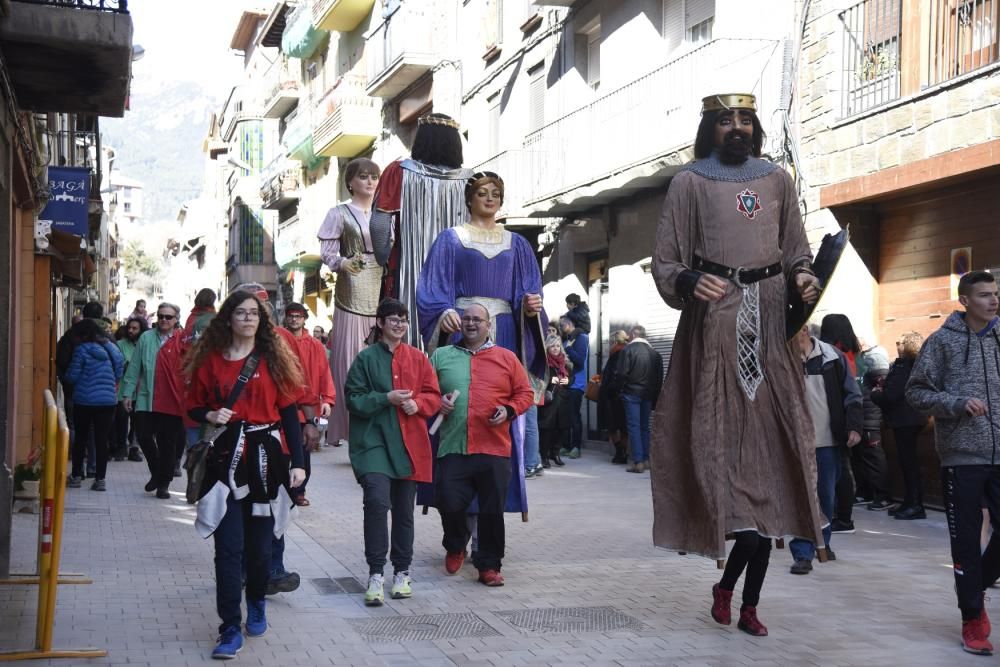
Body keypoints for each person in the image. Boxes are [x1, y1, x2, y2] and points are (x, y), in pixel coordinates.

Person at [650, 93, 825, 637]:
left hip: (771, 324)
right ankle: (725, 575)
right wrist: (685, 281)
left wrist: (802, 276)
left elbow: (797, 248)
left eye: (745, 118)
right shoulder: (688, 183)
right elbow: (666, 260)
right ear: (710, 127)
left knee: (773, 451)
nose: (737, 127)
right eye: (725, 119)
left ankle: (745, 601)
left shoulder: (776, 179)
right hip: (715, 320)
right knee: (713, 431)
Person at [184, 290, 307, 660]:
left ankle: (256, 601)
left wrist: (299, 463)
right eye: (241, 313)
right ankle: (228, 627)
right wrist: (210, 415)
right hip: (224, 460)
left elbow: (289, 414)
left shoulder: (273, 358)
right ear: (228, 318)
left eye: (254, 313)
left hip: (265, 462)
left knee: (259, 549)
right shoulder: (211, 360)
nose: (249, 319)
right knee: (228, 549)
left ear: (261, 320)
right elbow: (193, 406)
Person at [416, 170, 547, 510]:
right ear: (469, 199)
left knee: (497, 411)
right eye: (482, 193)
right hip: (462, 327)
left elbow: (528, 291)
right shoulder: (451, 239)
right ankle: (456, 513)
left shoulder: (517, 244)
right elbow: (431, 288)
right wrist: (442, 311)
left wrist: (531, 309)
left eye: (496, 193)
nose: (489, 198)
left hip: (502, 332)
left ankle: (494, 507)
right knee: (460, 410)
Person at [905, 270, 1000, 655]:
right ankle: (972, 618)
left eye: (995, 294)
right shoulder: (941, 343)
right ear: (964, 301)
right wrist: (956, 404)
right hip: (962, 457)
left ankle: (974, 588)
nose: (993, 301)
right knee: (964, 543)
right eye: (983, 295)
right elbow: (915, 393)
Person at [430, 303, 535, 586]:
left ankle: (489, 565)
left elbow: (526, 393)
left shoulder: (506, 357)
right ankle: (455, 545)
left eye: (478, 319)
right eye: (466, 318)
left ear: (489, 325)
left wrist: (510, 410)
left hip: (494, 447)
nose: (471, 323)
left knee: (491, 511)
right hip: (453, 445)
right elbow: (425, 391)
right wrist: (436, 403)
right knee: (449, 502)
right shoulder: (441, 355)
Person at [344, 298, 440, 606]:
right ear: (380, 323)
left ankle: (402, 571)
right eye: (393, 319)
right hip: (373, 441)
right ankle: (375, 573)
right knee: (376, 501)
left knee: (403, 510)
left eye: (403, 320)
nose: (399, 324)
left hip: (409, 443)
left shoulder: (418, 358)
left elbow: (433, 396)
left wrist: (419, 404)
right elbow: (353, 399)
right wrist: (386, 397)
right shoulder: (365, 359)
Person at [370, 112, 473, 347]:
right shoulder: (471, 180)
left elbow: (379, 224)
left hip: (408, 273)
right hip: (457, 275)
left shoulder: (399, 171)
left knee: (404, 340)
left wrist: (383, 256)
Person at [318, 157, 383, 449]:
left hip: (382, 285)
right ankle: (348, 426)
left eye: (374, 177)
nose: (370, 181)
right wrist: (343, 263)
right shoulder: (339, 212)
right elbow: (328, 252)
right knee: (348, 361)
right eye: (363, 176)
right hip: (351, 286)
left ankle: (377, 427)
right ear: (350, 181)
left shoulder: (385, 214)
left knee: (381, 359)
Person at [789, 325, 862, 575]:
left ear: (806, 329)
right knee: (801, 496)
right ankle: (803, 552)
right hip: (794, 443)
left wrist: (854, 427)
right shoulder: (782, 358)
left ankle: (823, 541)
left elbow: (852, 395)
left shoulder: (832, 357)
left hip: (828, 440)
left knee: (826, 494)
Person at [822, 314, 892, 528]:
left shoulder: (837, 355)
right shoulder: (854, 354)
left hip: (854, 416)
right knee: (853, 462)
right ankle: (862, 496)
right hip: (857, 415)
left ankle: (847, 514)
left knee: (850, 464)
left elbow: (852, 391)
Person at [120, 302, 183, 498]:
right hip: (147, 397)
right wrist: (127, 393)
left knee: (167, 443)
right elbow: (134, 367)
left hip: (172, 400)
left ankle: (164, 483)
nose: (164, 320)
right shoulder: (146, 338)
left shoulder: (182, 340)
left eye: (168, 317)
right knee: (144, 436)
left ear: (176, 320)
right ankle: (156, 472)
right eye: (161, 316)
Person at [281, 302, 335, 507]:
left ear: (304, 319)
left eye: (298, 316)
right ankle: (284, 491)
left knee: (305, 452)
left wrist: (328, 400)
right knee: (283, 454)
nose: (294, 319)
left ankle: (299, 491)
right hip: (284, 408)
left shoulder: (315, 346)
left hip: (309, 409)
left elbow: (324, 374)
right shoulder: (279, 342)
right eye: (291, 316)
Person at [872, 331, 927, 520]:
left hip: (906, 420)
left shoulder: (906, 367)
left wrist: (875, 393)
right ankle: (910, 502)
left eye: (900, 342)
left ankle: (915, 505)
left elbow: (891, 396)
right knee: (906, 463)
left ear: (909, 345)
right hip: (909, 419)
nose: (897, 345)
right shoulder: (910, 365)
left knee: (909, 464)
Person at [64, 318, 124, 491]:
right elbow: (119, 369)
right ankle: (100, 480)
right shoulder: (111, 348)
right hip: (107, 401)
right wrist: (111, 382)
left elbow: (72, 376)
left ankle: (76, 476)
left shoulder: (81, 350)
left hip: (84, 400)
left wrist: (67, 378)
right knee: (101, 440)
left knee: (81, 438)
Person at [610, 326, 664, 473]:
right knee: (644, 427)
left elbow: (621, 374)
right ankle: (646, 460)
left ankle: (638, 462)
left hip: (631, 393)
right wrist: (655, 396)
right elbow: (659, 379)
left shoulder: (628, 350)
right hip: (647, 394)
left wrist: (620, 390)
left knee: (633, 427)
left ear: (633, 335)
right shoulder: (655, 354)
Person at [113, 317, 147, 462]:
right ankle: (121, 447)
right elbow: (119, 364)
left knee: (137, 422)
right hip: (123, 388)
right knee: (121, 420)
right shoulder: (120, 344)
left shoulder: (145, 344)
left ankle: (134, 448)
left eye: (135, 328)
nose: (131, 331)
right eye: (130, 328)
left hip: (140, 389)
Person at [538, 335, 571, 468]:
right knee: (547, 429)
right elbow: (538, 380)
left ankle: (555, 453)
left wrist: (568, 381)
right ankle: (544, 455)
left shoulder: (565, 362)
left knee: (562, 428)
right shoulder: (543, 362)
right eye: (553, 346)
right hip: (549, 400)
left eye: (558, 346)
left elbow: (571, 377)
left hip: (563, 399)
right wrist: (550, 381)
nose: (556, 348)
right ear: (547, 347)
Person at [558, 316, 588, 460]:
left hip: (576, 384)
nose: (560, 328)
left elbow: (580, 361)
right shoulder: (566, 340)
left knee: (574, 416)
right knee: (565, 416)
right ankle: (566, 445)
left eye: (561, 325)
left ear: (569, 324)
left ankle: (576, 447)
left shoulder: (581, 338)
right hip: (565, 383)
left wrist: (568, 348)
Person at [598, 330, 629, 464]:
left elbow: (616, 375)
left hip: (613, 397)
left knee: (612, 426)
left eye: (611, 341)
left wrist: (607, 387)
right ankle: (622, 452)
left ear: (615, 341)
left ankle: (620, 452)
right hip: (622, 395)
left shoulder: (617, 353)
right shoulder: (626, 352)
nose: (609, 344)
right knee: (623, 427)